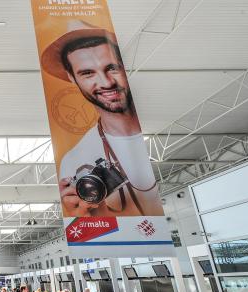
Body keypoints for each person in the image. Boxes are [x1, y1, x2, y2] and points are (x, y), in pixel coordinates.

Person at [41, 20, 163, 217]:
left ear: (125, 67)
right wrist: (86, 217)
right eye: (88, 73)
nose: (106, 82)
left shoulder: (163, 121)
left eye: (112, 68)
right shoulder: (74, 161)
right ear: (72, 78)